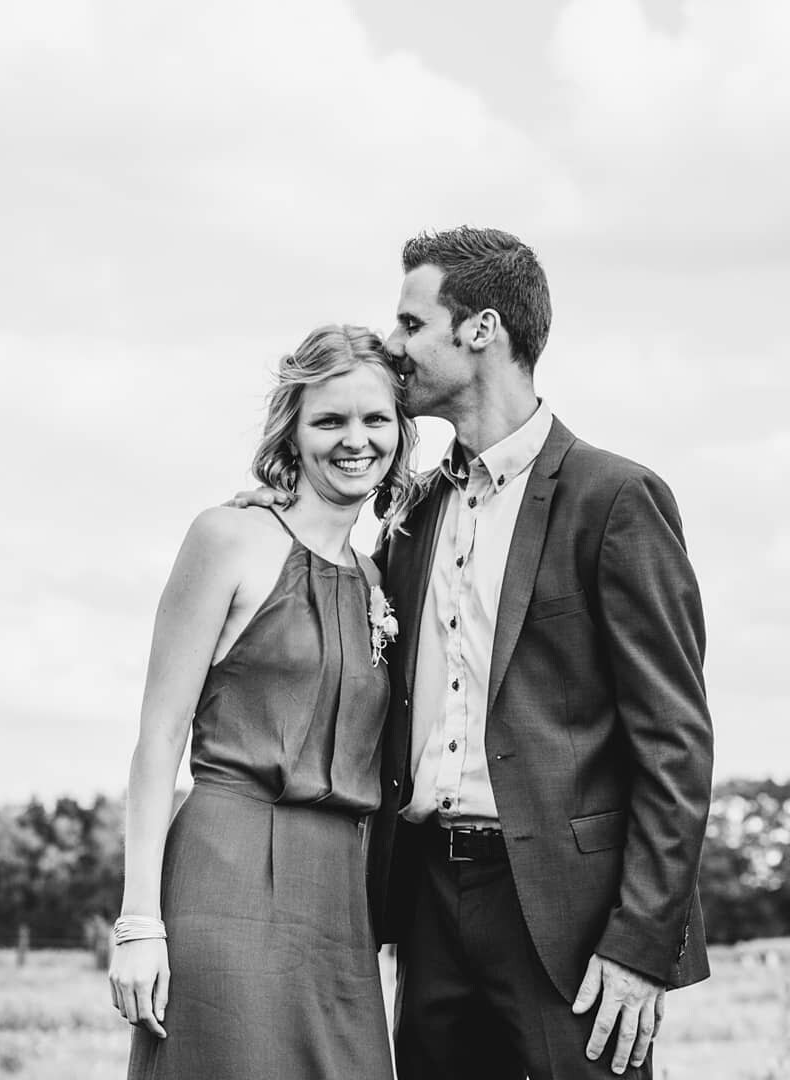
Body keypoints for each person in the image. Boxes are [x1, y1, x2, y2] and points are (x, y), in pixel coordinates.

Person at [238, 227, 714, 1080]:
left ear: (481, 329)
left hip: (570, 921)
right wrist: (274, 514)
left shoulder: (615, 499)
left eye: (412, 323)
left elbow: (673, 742)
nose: (394, 346)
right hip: (427, 904)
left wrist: (641, 945)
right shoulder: (413, 513)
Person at [110, 324, 422, 1080]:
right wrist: (139, 923)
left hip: (339, 900)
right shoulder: (229, 537)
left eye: (375, 419)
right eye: (329, 420)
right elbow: (159, 738)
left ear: (400, 432)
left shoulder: (380, 578)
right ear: (293, 431)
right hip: (227, 870)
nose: (355, 440)